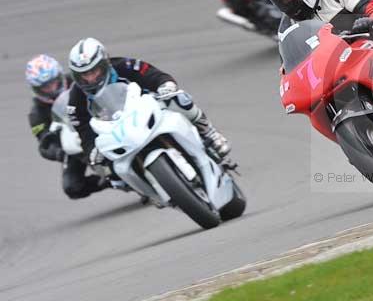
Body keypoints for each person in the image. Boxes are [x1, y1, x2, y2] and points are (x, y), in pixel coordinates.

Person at [66, 38, 231, 165]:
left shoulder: (124, 65)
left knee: (179, 98)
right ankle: (141, 186)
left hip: (148, 109)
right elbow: (83, 129)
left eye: (94, 70)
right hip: (115, 130)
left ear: (105, 63)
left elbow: (152, 74)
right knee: (108, 169)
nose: (90, 78)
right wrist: (91, 150)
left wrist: (165, 85)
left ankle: (209, 132)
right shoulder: (75, 97)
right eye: (84, 75)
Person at [25, 54, 107, 199]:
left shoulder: (78, 79)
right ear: (36, 89)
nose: (51, 88)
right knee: (72, 187)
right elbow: (44, 143)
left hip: (97, 121)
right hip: (72, 144)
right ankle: (109, 182)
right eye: (44, 87)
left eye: (53, 82)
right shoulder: (36, 114)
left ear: (60, 76)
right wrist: (58, 152)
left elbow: (105, 88)